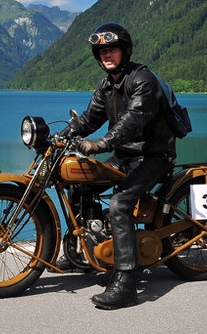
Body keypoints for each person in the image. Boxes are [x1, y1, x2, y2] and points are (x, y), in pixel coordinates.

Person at [61, 22, 177, 310]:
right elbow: (89, 119)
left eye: (111, 49)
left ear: (124, 51)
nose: (106, 55)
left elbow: (133, 120)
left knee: (119, 203)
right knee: (77, 185)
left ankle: (126, 283)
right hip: (123, 156)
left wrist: (101, 144)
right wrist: (65, 135)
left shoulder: (143, 80)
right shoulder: (107, 84)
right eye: (101, 51)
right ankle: (82, 253)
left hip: (152, 156)